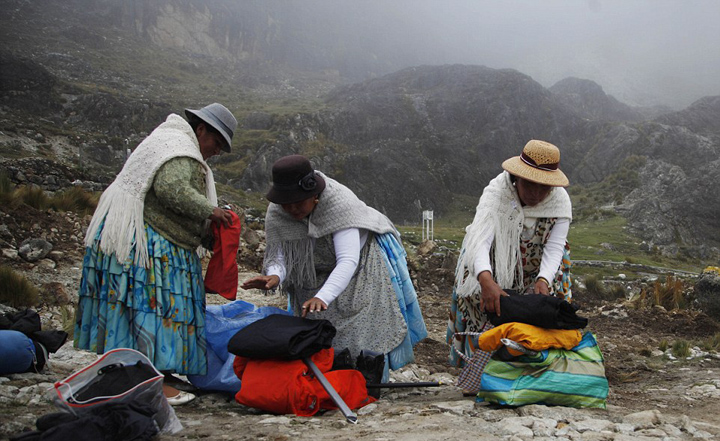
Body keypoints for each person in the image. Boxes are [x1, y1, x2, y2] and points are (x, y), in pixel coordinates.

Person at [74, 103, 238, 405]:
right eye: (216, 143)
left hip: (148, 235)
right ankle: (147, 377)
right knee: (154, 307)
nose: (216, 151)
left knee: (156, 308)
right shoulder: (178, 150)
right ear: (201, 129)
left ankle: (157, 371)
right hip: (145, 245)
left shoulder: (172, 144)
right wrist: (210, 212)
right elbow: (170, 188)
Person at [242, 155, 427, 379]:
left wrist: (324, 296)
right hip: (312, 269)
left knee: (359, 320)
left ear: (314, 196)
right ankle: (324, 375)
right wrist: (275, 276)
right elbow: (283, 252)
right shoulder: (278, 212)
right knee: (314, 322)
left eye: (298, 202)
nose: (292, 209)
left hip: (359, 266)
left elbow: (348, 260)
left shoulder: (340, 204)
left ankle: (362, 375)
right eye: (286, 203)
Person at [447, 140, 573, 367]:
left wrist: (544, 279)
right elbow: (481, 243)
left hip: (539, 267)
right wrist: (486, 280)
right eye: (530, 185)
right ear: (517, 178)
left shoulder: (560, 201)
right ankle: (481, 372)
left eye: (544, 187)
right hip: (489, 263)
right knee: (487, 308)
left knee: (543, 313)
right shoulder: (497, 195)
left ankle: (530, 369)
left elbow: (555, 246)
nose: (536, 193)